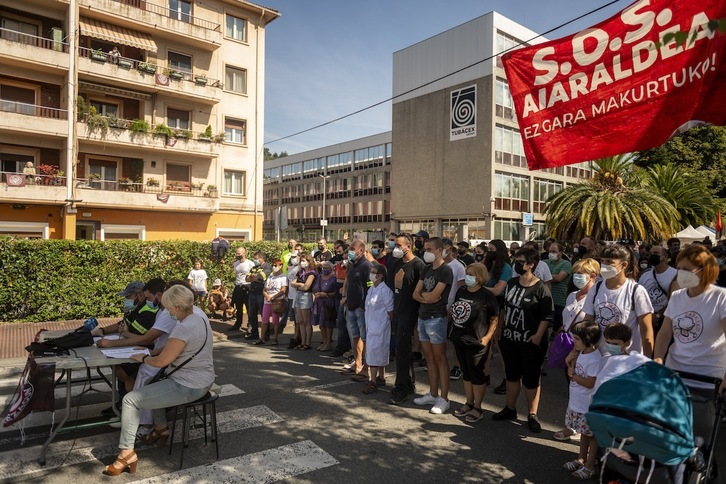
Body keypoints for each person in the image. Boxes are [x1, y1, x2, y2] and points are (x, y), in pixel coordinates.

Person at [102, 285, 214, 476]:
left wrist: (143, 358)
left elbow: (162, 361)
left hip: (188, 385)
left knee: (131, 400)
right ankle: (161, 428)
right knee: (153, 385)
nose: (167, 312)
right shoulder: (198, 315)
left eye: (168, 308)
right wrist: (153, 352)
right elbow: (174, 349)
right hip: (204, 379)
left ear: (177, 307)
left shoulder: (183, 327)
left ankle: (126, 454)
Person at [654, 245, 726, 431]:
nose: (681, 274)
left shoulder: (721, 297)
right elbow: (664, 334)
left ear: (705, 270)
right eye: (679, 269)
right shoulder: (677, 297)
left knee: (700, 434)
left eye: (686, 270)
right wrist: (658, 359)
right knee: (670, 430)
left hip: (708, 379)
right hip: (675, 375)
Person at [493, 246, 553, 433]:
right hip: (509, 338)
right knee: (511, 375)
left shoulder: (541, 288)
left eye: (520, 262)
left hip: (531, 342)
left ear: (531, 264)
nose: (516, 265)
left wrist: (537, 336)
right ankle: (510, 408)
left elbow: (546, 316)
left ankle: (532, 414)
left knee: (531, 378)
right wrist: (499, 327)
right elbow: (504, 307)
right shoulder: (511, 283)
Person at [552, 258, 600, 442]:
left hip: (583, 349)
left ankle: (578, 427)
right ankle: (574, 424)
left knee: (582, 389)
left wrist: (581, 349)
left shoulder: (594, 298)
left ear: (593, 275)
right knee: (572, 387)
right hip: (568, 344)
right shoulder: (573, 295)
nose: (577, 277)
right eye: (576, 273)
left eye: (581, 274)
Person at [582, 244, 655, 357]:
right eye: (603, 261)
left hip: (627, 359)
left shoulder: (636, 291)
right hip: (599, 358)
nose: (604, 266)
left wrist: (647, 360)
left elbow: (646, 330)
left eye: (610, 262)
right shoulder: (596, 288)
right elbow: (588, 322)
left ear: (623, 265)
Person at [450, 263, 499, 423]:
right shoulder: (461, 291)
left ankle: (478, 407)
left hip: (477, 341)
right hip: (459, 338)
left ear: (480, 276)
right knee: (466, 372)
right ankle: (469, 402)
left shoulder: (487, 295)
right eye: (467, 273)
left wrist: (487, 338)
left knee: (477, 374)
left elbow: (494, 319)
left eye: (471, 274)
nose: (468, 276)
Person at [412, 237, 454, 415]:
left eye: (429, 249)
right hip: (423, 317)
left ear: (439, 250)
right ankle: (433, 393)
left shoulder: (445, 270)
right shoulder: (427, 269)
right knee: (429, 357)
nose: (425, 252)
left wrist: (426, 296)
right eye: (425, 249)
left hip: (436, 318)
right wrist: (426, 297)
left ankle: (444, 398)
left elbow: (434, 295)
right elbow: (416, 294)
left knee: (440, 358)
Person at [561, 321, 604, 480]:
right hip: (577, 402)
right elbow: (573, 371)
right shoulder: (580, 353)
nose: (574, 341)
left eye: (577, 339)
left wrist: (572, 375)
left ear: (589, 340)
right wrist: (568, 362)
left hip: (587, 405)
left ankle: (590, 465)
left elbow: (590, 382)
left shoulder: (594, 359)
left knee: (591, 435)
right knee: (584, 433)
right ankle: (581, 458)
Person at [389, 233, 426, 405]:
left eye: (398, 245)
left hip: (410, 312)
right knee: (403, 349)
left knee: (402, 349)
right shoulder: (397, 264)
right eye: (395, 244)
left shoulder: (418, 265)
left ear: (408, 246)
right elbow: (395, 288)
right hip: (398, 310)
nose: (395, 248)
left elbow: (423, 290)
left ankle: (401, 387)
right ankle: (409, 381)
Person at [485, 239, 513, 394]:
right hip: (486, 305)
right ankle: (485, 374)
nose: (489, 251)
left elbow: (498, 290)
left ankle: (507, 379)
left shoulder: (505, 268)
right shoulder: (488, 265)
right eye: (488, 249)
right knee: (485, 342)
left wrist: (479, 288)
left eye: (492, 249)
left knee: (499, 342)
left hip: (499, 306)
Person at [340, 240, 372, 377]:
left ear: (362, 250)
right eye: (350, 249)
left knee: (364, 337)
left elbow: (370, 287)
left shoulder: (367, 266)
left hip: (361, 308)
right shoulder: (352, 265)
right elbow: (350, 284)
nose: (351, 252)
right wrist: (346, 298)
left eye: (353, 249)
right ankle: (357, 363)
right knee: (356, 336)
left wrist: (364, 305)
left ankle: (366, 366)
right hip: (351, 307)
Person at [361, 263, 394, 393]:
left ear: (380, 276)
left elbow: (390, 311)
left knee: (376, 352)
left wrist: (383, 324)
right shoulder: (372, 289)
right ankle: (380, 376)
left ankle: (373, 381)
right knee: (376, 351)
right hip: (371, 325)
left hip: (380, 327)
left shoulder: (385, 291)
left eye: (374, 272)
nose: (371, 274)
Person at [638, 244, 678, 335]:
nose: (652, 255)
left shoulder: (674, 274)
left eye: (656, 253)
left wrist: (658, 315)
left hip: (667, 319)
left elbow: (676, 300)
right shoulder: (645, 276)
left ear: (665, 256)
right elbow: (640, 298)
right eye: (650, 253)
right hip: (648, 319)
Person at [442, 238, 466, 381]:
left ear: (449, 249)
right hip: (438, 307)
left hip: (452, 307)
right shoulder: (437, 264)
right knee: (440, 339)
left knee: (455, 339)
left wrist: (454, 308)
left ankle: (457, 367)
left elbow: (462, 288)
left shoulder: (458, 266)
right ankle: (441, 363)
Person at [291, 252, 317, 350]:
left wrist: (298, 285)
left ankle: (308, 343)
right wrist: (299, 285)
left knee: (307, 321)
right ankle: (302, 341)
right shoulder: (300, 272)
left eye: (303, 261)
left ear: (309, 261)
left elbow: (306, 287)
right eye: (301, 261)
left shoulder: (312, 273)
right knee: (300, 321)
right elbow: (293, 283)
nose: (302, 263)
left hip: (306, 296)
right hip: (298, 295)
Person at [544, 242, 572, 331]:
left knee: (558, 327)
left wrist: (545, 276)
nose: (551, 253)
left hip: (560, 300)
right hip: (546, 299)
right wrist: (552, 276)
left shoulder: (566, 264)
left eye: (554, 251)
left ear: (560, 253)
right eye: (550, 251)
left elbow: (559, 278)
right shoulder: (544, 262)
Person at [259, 259, 287, 345]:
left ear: (280, 266)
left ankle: (275, 338)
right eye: (273, 265)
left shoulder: (283, 277)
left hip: (277, 301)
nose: (274, 267)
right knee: (264, 320)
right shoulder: (270, 277)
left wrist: (273, 297)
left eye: (276, 265)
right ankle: (262, 338)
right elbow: (264, 289)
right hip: (267, 301)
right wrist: (267, 296)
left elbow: (283, 290)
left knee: (275, 320)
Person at [311, 260, 338, 351]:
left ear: (331, 269)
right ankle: (324, 340)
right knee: (321, 324)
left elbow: (336, 292)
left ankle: (328, 343)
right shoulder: (319, 277)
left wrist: (325, 294)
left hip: (328, 303)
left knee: (327, 324)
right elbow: (314, 288)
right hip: (319, 303)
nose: (325, 269)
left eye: (327, 268)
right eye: (323, 268)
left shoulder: (333, 278)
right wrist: (316, 293)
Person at [245, 252, 271, 341]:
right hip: (252, 293)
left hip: (261, 294)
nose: (254, 260)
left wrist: (254, 277)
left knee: (264, 315)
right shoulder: (254, 268)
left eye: (256, 258)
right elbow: (247, 278)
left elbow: (261, 278)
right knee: (252, 315)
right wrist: (254, 277)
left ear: (261, 258)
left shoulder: (267, 267)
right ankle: (254, 333)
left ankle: (266, 335)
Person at [331, 243, 351, 357]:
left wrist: (344, 293)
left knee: (343, 322)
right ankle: (342, 346)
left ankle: (344, 347)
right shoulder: (339, 264)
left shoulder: (351, 266)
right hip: (340, 295)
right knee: (340, 322)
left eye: (342, 253)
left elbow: (347, 281)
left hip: (346, 297)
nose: (341, 256)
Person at [229, 247, 255, 332]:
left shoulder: (250, 263)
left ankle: (250, 324)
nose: (237, 255)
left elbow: (254, 275)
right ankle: (238, 323)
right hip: (238, 286)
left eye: (239, 253)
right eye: (236, 253)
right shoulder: (235, 263)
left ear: (244, 253)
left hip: (247, 286)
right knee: (238, 307)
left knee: (248, 307)